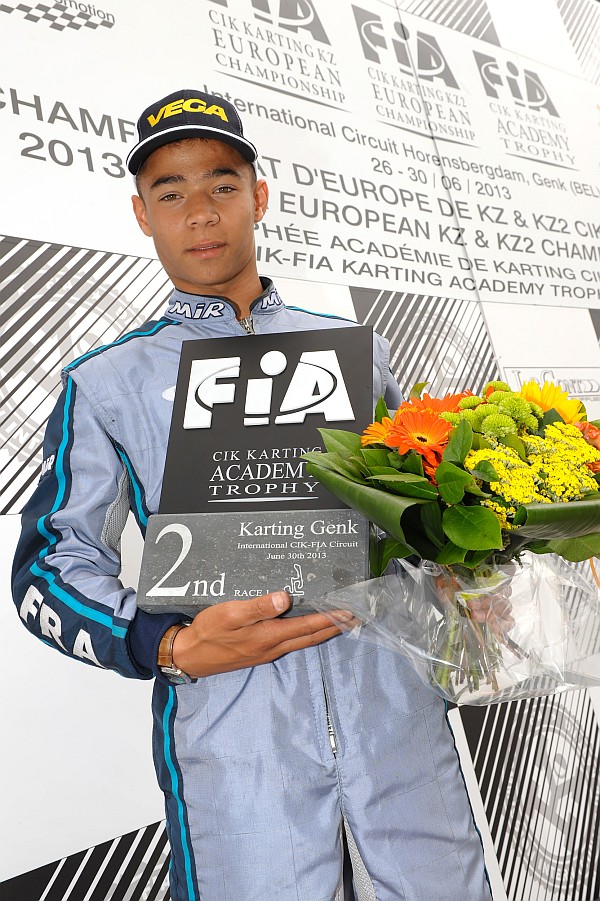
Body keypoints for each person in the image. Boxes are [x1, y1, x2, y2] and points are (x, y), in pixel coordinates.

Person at [12, 89, 493, 901]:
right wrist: (165, 646)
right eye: (171, 193)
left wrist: (472, 585)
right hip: (235, 735)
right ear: (141, 213)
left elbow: (424, 523)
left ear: (258, 197)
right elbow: (48, 568)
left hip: (398, 719)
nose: (200, 212)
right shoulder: (104, 381)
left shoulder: (360, 354)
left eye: (222, 185)